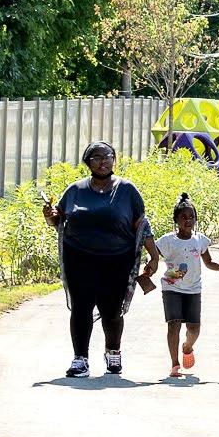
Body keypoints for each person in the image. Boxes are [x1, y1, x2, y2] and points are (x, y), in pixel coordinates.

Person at [43, 141, 147, 379]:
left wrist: (152, 256)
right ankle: (80, 358)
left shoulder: (127, 190)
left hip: (117, 259)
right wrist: (49, 215)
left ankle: (113, 351)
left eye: (107, 156)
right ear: (87, 163)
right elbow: (58, 221)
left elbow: (142, 225)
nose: (103, 162)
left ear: (114, 159)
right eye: (96, 158)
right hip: (79, 258)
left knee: (112, 310)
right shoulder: (75, 190)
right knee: (81, 307)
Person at [141, 193, 219, 379]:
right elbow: (154, 255)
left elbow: (209, 263)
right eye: (183, 217)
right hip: (172, 288)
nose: (188, 220)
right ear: (176, 220)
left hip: (193, 289)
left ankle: (188, 346)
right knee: (174, 324)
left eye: (191, 217)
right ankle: (175, 364)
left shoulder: (200, 240)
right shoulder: (168, 241)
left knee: (194, 329)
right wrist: (150, 265)